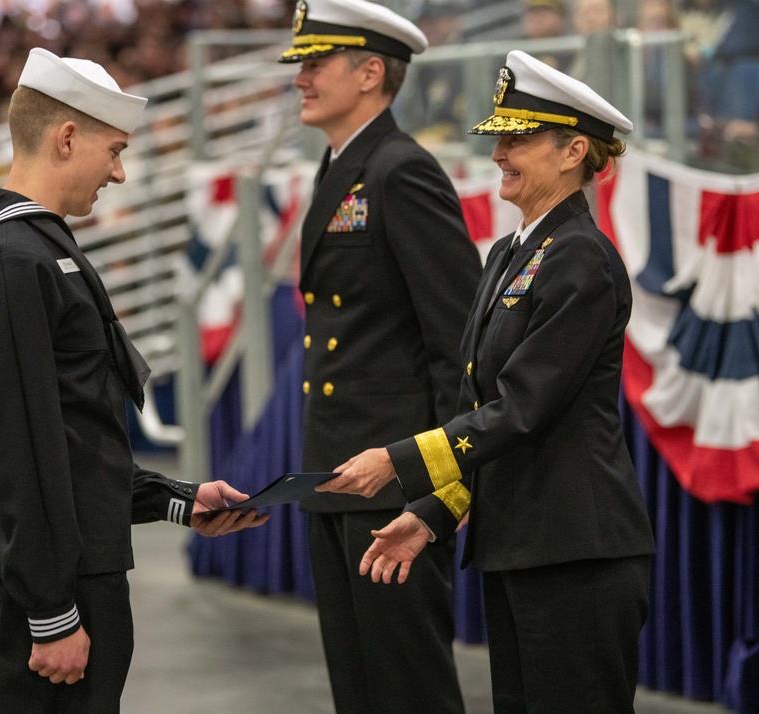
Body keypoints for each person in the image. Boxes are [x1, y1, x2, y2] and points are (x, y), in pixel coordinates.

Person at [0, 47, 268, 714]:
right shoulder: (12, 262)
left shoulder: (27, 250)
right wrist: (49, 612)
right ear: (67, 137)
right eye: (114, 150)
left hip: (63, 567)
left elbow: (72, 436)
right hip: (50, 585)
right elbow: (22, 448)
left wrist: (174, 497)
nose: (120, 172)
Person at [319, 50, 657, 713]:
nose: (501, 152)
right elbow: (477, 400)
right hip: (523, 547)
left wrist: (399, 461)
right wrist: (434, 512)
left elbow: (522, 410)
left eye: (521, 138)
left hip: (575, 554)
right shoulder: (511, 253)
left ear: (574, 152)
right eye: (500, 137)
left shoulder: (582, 260)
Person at [278, 1, 481, 712]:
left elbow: (458, 344)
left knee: (406, 685)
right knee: (358, 685)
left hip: (394, 482)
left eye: (316, 63)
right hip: (338, 474)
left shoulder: (400, 171)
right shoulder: (343, 166)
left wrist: (440, 494)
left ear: (371, 72)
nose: (301, 78)